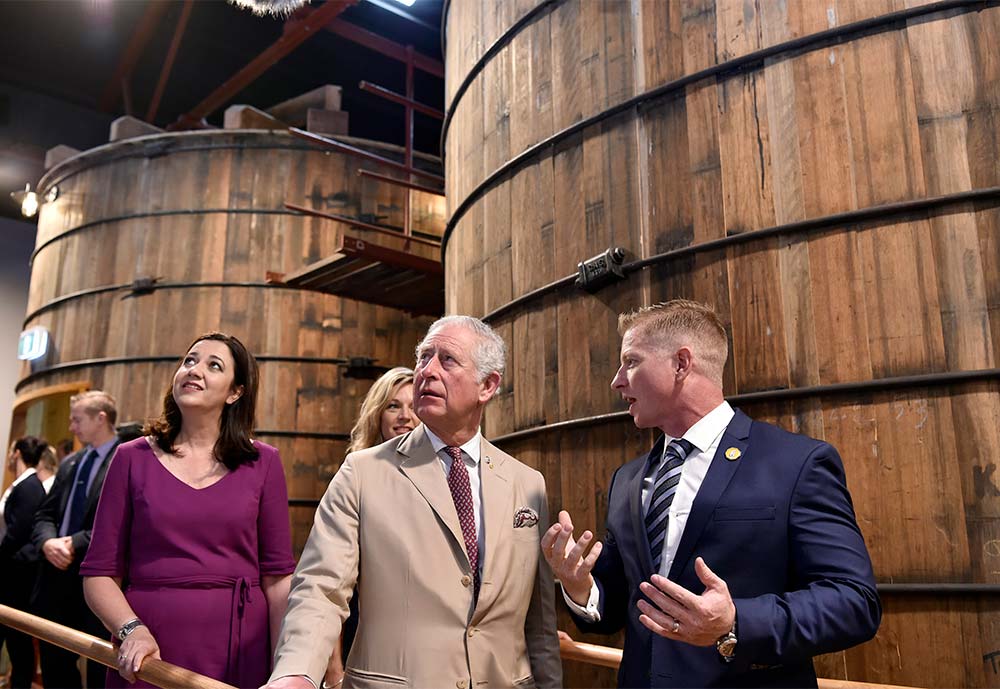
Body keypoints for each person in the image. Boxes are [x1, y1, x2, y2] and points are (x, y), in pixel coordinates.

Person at [543, 300, 881, 688]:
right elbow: (620, 605)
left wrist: (734, 622)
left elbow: (855, 602)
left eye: (631, 362)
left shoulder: (796, 463)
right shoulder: (627, 479)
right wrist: (580, 586)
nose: (617, 381)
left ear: (681, 364)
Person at [265, 316, 562, 689]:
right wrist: (297, 672)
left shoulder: (528, 484)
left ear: (488, 385)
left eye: (447, 360)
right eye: (424, 357)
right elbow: (320, 588)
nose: (427, 370)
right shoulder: (362, 473)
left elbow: (538, 621)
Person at [80, 332, 296, 688]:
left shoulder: (264, 463)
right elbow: (99, 574)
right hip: (149, 651)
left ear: (235, 392)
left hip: (240, 648)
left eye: (214, 365)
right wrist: (131, 629)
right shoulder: (131, 457)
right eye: (190, 361)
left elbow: (277, 580)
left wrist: (284, 666)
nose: (194, 370)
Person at [323, 367, 417, 689]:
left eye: (413, 405)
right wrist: (334, 669)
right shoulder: (354, 479)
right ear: (377, 414)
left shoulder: (452, 480)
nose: (405, 416)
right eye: (393, 406)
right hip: (365, 646)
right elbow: (331, 584)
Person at [32, 390, 122, 689]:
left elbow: (125, 522)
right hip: (56, 576)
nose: (71, 427)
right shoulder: (71, 462)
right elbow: (44, 514)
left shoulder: (126, 459)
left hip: (100, 582)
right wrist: (48, 542)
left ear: (101, 418)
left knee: (99, 670)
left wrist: (75, 542)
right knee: (56, 664)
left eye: (77, 419)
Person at [0, 437, 49, 688]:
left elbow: (18, 531)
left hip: (18, 574)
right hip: (11, 571)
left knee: (18, 639)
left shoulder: (29, 486)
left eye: (10, 452)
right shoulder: (21, 484)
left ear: (16, 453)